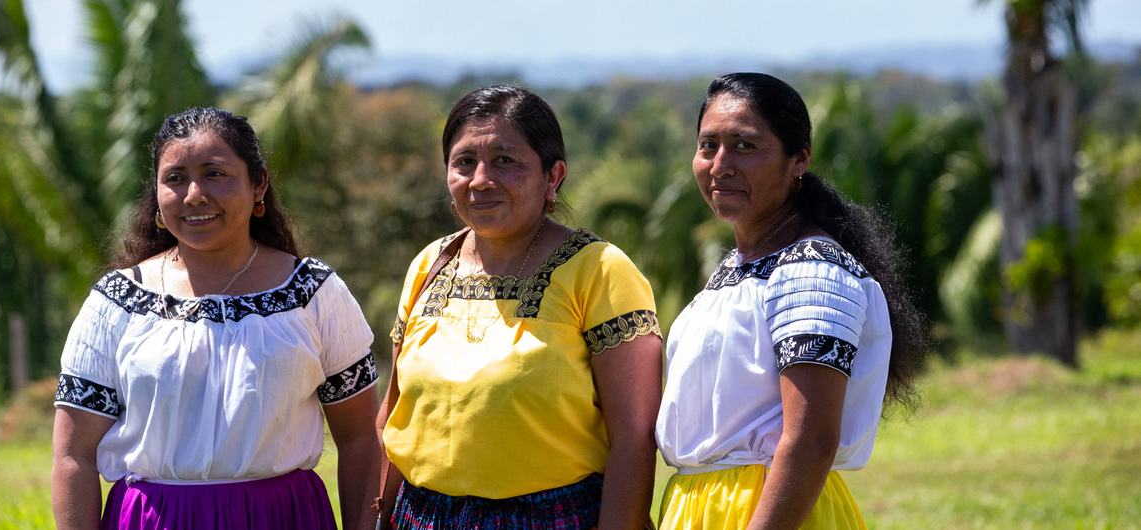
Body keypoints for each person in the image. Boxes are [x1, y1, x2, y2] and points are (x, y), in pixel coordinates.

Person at [51, 107, 382, 530]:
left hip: (283, 518)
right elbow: (72, 456)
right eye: (175, 178)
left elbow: (361, 441)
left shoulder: (313, 294)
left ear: (258, 183)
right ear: (156, 194)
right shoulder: (117, 301)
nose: (194, 195)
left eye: (215, 173)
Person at [375, 85, 663, 530]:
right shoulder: (429, 264)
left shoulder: (599, 271)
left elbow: (634, 439)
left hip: (553, 518)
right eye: (464, 162)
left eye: (505, 161)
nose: (481, 179)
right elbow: (394, 416)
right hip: (421, 517)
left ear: (554, 176)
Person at [655, 73, 928, 530]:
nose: (720, 164)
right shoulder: (738, 267)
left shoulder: (812, 273)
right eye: (708, 146)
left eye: (744, 146)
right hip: (705, 508)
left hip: (769, 511)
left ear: (798, 159)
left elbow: (812, 440)